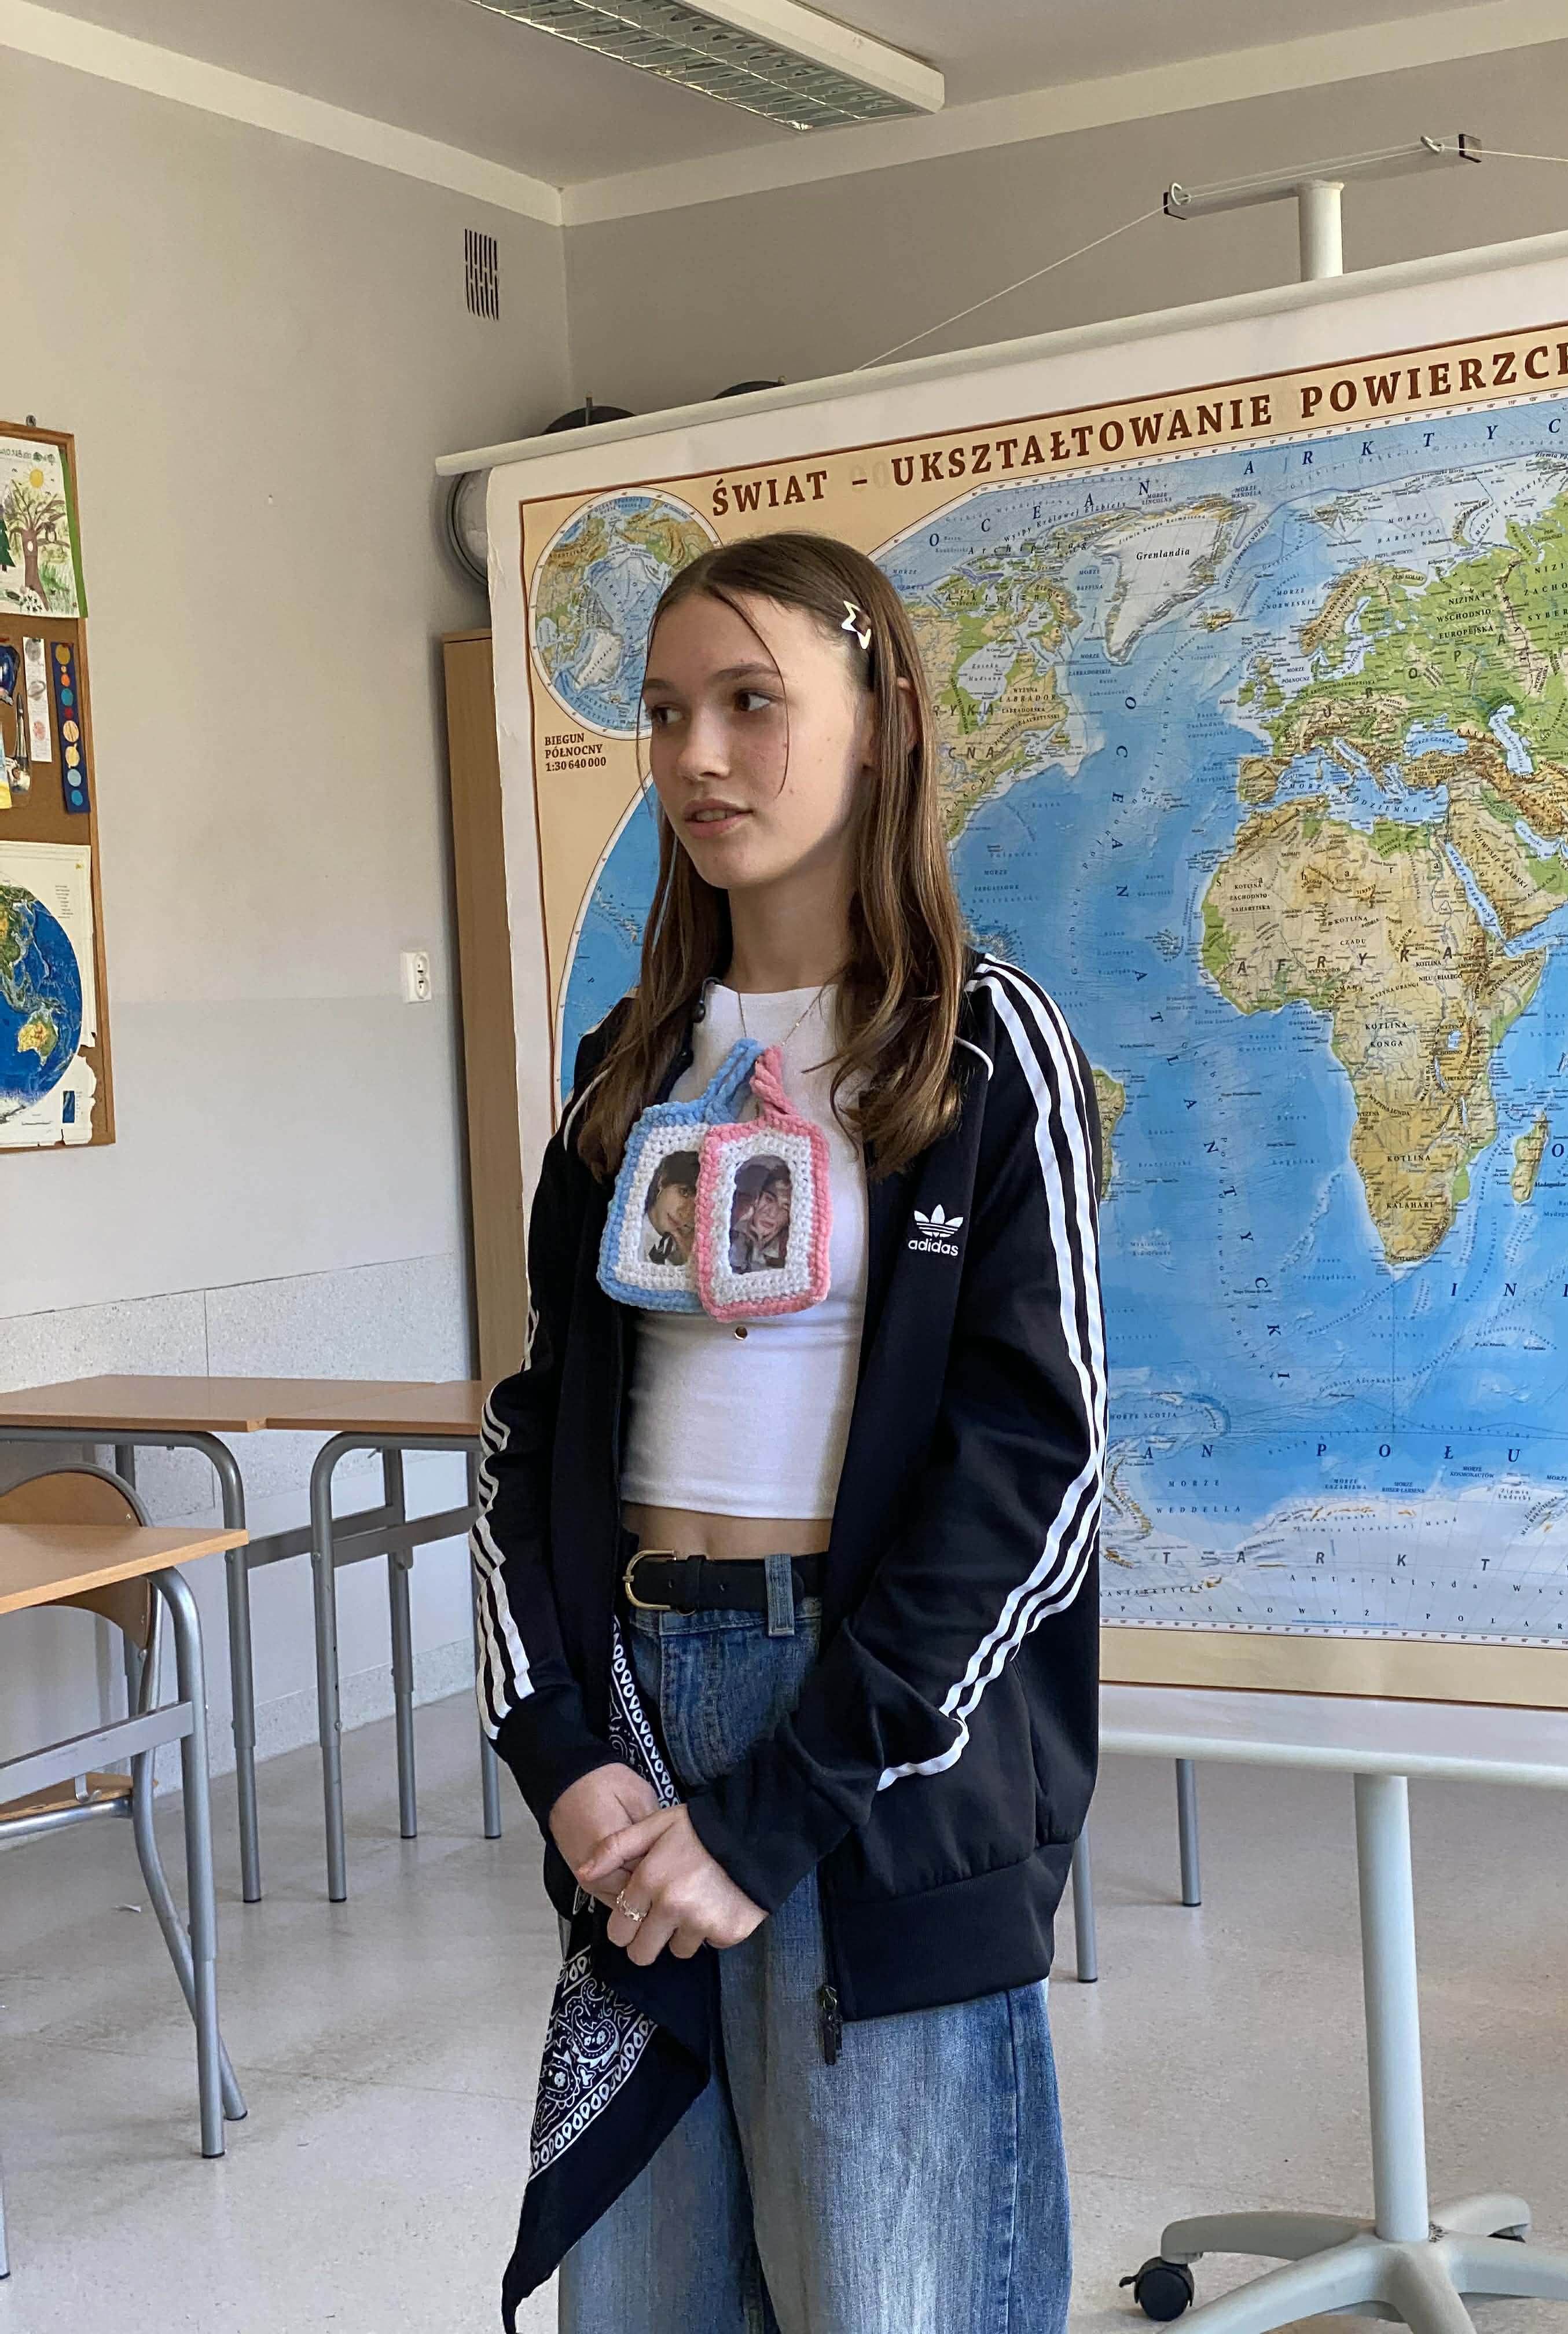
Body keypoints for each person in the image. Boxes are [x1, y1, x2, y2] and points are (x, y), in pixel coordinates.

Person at [474, 531, 1106, 2334]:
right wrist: (560, 1747)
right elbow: (537, 1434)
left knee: (891, 2292)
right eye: (668, 711)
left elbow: (1036, 1474)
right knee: (649, 2293)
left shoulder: (981, 1053)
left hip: (875, 1742)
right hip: (641, 1725)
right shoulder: (629, 1067)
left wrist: (785, 1806)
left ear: (881, 720)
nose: (697, 756)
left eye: (753, 703)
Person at [729, 1158, 791, 1274]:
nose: (772, 1214)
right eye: (769, 1199)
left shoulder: (788, 1251)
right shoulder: (732, 1232)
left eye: (784, 1208)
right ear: (757, 1199)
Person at [643, 1148, 699, 1266]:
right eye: (684, 1193)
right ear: (662, 1181)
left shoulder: (685, 1254)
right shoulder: (630, 1237)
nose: (685, 1213)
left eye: (697, 1207)